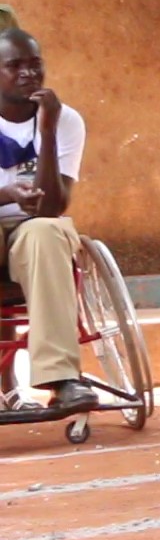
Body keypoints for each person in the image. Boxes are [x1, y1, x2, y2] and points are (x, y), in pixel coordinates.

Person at [0, 29, 98, 413]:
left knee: (48, 231)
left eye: (35, 64)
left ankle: (60, 378)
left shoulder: (65, 119)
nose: (28, 73)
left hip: (28, 232)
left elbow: (52, 205)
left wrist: (48, 131)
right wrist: (8, 195)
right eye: (14, 66)